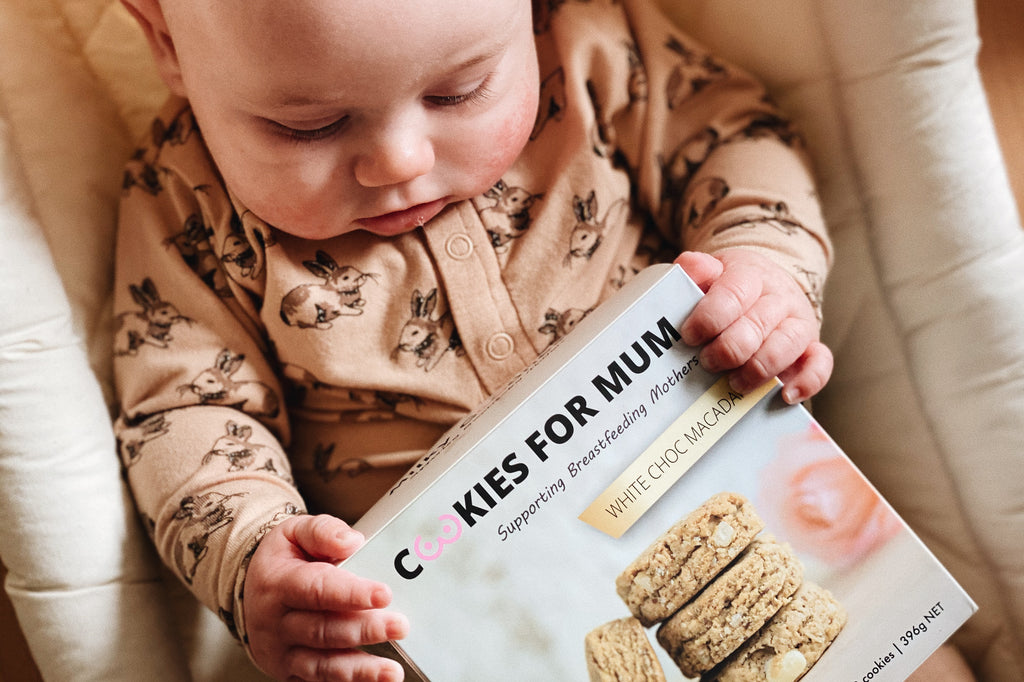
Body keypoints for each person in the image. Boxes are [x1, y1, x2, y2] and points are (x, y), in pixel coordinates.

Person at [114, 0, 835, 679]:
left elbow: (734, 139)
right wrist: (251, 555)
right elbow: (186, 408)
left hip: (731, 506)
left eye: (458, 92)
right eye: (310, 126)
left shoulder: (585, 45)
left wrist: (765, 268)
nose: (400, 160)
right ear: (165, 39)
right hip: (465, 621)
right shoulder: (187, 201)